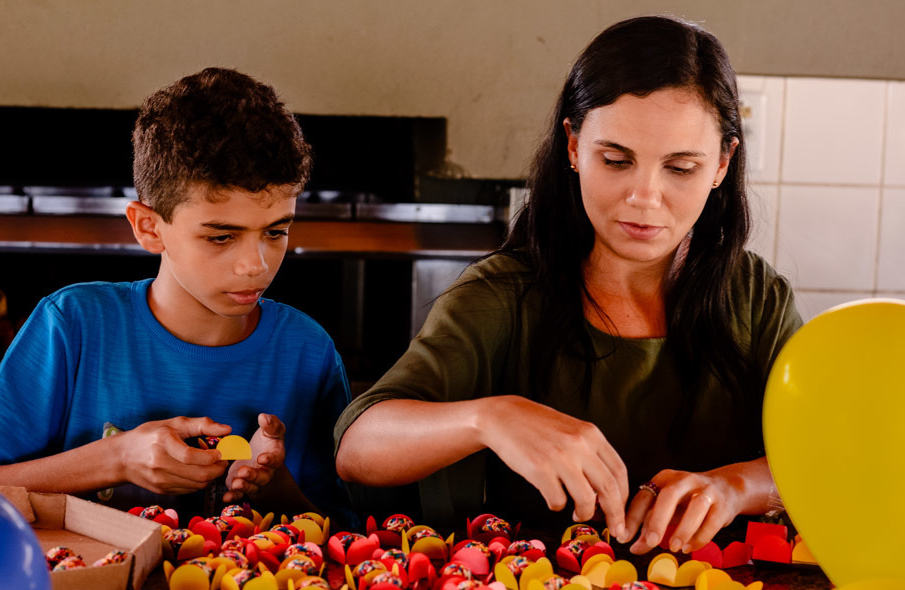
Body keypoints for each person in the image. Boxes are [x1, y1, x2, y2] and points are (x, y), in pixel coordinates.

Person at [334, 15, 801, 553]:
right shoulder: (504, 296)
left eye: (680, 168)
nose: (644, 197)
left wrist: (738, 486)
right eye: (616, 160)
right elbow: (358, 447)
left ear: (722, 164)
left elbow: (833, 456)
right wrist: (490, 417)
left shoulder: (757, 299)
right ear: (574, 146)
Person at [0, 68, 353, 525]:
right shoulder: (73, 324)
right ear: (148, 227)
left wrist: (275, 487)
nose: (255, 265)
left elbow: (344, 533)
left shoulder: (309, 352)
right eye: (220, 237)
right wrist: (115, 459)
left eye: (276, 231)